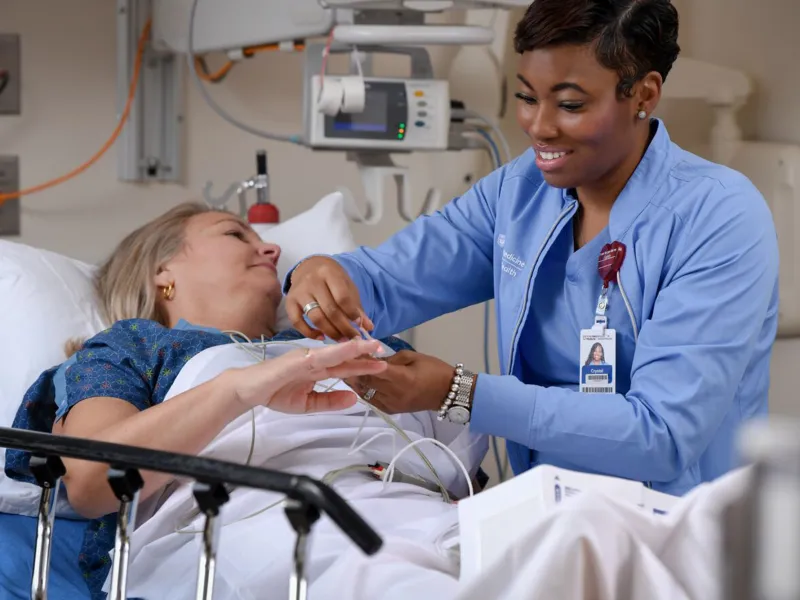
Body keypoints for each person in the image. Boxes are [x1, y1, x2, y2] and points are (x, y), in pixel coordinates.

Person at [284, 0, 780, 497]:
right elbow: (389, 281)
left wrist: (460, 393)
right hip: (541, 510)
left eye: (569, 105)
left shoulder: (718, 215)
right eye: (526, 98)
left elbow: (663, 435)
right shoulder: (520, 191)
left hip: (677, 531)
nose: (540, 127)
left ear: (643, 94)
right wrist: (318, 274)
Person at [4, 202, 483, 600]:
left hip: (425, 516)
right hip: (258, 532)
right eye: (235, 234)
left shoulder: (364, 346)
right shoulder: (135, 347)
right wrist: (238, 389)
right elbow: (95, 481)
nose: (271, 248)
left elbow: (466, 470)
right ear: (163, 272)